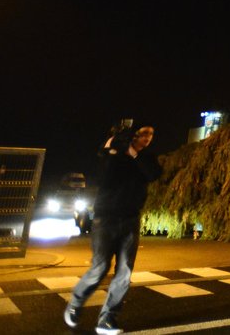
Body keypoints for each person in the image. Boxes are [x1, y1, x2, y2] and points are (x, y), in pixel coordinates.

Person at [64, 123, 162, 334]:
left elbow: (153, 174)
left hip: (130, 218)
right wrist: (114, 147)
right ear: (134, 134)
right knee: (100, 268)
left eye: (151, 134)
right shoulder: (114, 153)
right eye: (144, 133)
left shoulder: (147, 158)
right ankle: (75, 304)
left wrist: (134, 154)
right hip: (106, 217)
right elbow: (106, 171)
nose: (148, 137)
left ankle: (107, 319)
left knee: (125, 270)